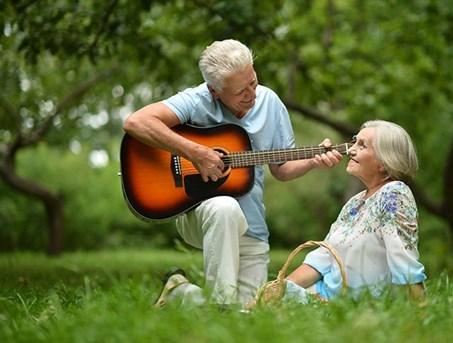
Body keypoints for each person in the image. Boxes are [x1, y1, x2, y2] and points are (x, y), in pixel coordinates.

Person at [123, 39, 342, 307]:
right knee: (225, 208)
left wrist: (312, 161)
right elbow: (136, 122)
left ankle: (181, 292)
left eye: (253, 82)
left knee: (250, 313)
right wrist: (195, 152)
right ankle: (221, 306)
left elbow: (281, 169)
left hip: (253, 226)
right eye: (241, 91)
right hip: (201, 216)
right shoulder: (196, 100)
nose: (251, 94)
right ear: (215, 92)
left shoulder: (269, 102)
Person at [284, 120, 426, 301]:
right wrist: (277, 290)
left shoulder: (394, 194)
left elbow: (405, 261)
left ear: (384, 161)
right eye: (354, 142)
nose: (350, 150)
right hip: (322, 297)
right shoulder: (355, 202)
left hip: (357, 306)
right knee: (263, 302)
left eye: (362, 145)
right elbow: (323, 258)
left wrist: (421, 313)